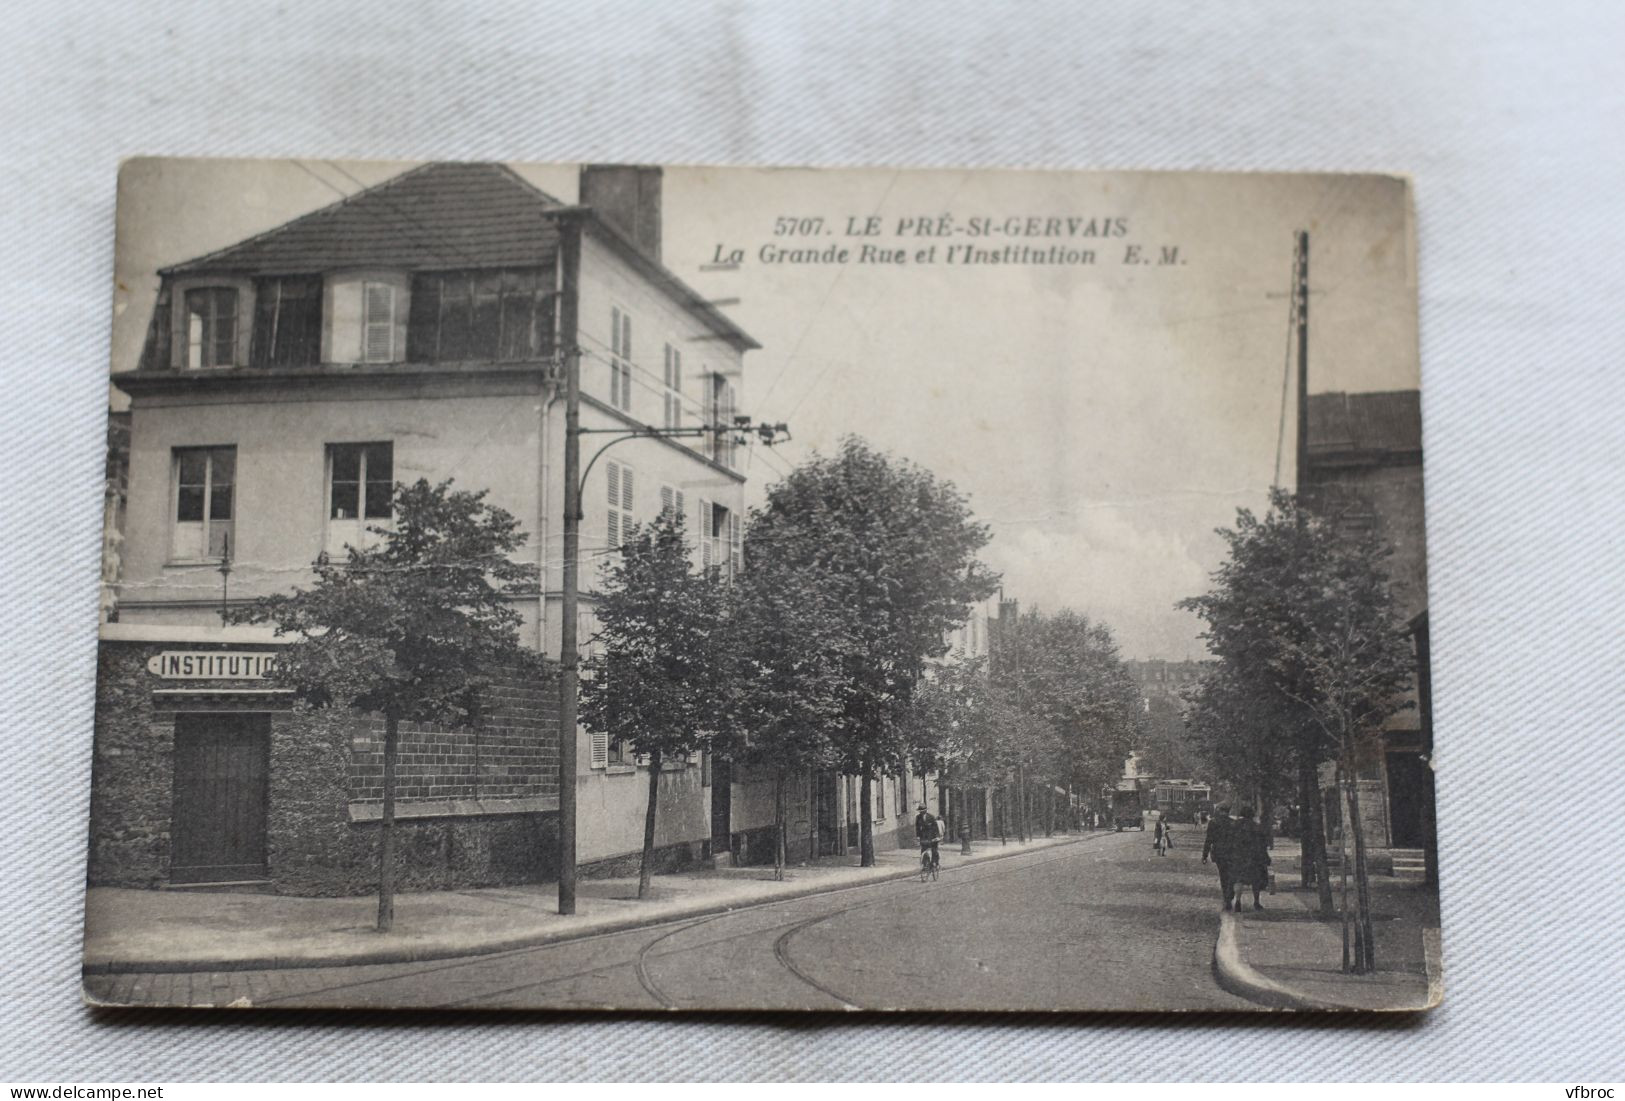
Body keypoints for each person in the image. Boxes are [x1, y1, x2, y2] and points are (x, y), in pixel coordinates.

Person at [1225, 805, 1272, 911]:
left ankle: (1237, 901)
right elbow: (1262, 845)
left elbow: (1229, 842)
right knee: (1255, 880)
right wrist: (1266, 857)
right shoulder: (1257, 827)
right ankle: (1256, 902)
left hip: (1238, 857)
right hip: (1254, 858)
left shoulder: (1234, 826)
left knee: (1238, 879)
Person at [1202, 803, 1234, 908]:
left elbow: (1208, 840)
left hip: (1219, 853)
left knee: (1223, 875)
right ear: (1228, 812)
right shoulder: (1233, 823)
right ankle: (1230, 893)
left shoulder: (1213, 822)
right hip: (1231, 853)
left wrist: (1204, 855)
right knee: (1231, 874)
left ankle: (1226, 896)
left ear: (1220, 811)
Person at [915, 803, 943, 871]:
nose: (921, 812)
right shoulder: (918, 817)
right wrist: (918, 837)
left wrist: (936, 837)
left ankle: (935, 863)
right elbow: (917, 828)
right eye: (920, 811)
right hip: (924, 837)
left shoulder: (931, 817)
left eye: (923, 810)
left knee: (934, 851)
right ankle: (925, 865)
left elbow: (935, 828)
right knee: (923, 850)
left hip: (932, 837)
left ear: (926, 810)